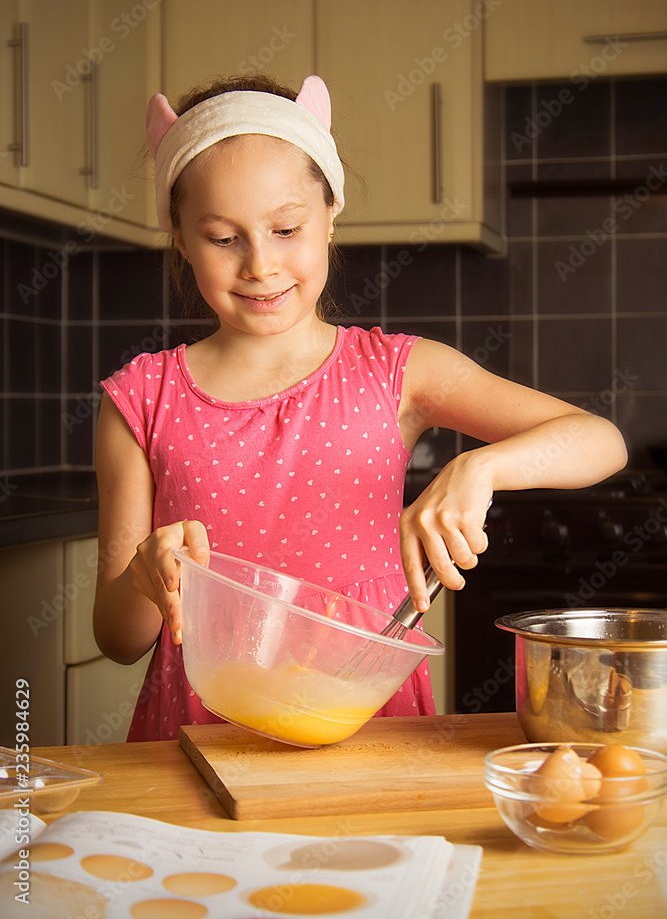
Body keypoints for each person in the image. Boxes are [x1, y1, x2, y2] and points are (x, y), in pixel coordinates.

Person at [93, 72, 628, 741]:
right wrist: (144, 578)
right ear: (179, 235)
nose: (259, 265)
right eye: (223, 238)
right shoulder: (141, 398)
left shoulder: (397, 372)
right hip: (196, 732)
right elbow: (118, 640)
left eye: (286, 228)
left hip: (368, 732)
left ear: (329, 215)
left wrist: (480, 468)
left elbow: (599, 440)